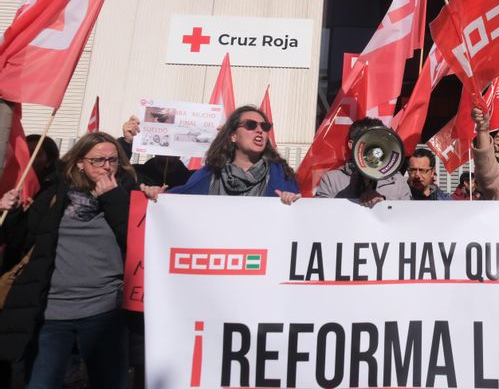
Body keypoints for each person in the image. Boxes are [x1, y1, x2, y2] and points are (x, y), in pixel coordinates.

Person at [0, 132, 156, 388]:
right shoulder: (53, 194)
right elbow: (21, 242)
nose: (107, 166)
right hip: (53, 313)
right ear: (79, 163)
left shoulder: (129, 193)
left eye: (113, 160)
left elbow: (136, 241)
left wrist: (112, 198)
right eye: (98, 160)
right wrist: (12, 211)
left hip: (105, 312)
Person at [170, 106, 300, 203]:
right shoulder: (209, 174)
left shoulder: (282, 177)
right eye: (251, 125)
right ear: (233, 136)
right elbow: (179, 200)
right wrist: (156, 195)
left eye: (265, 126)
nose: (260, 130)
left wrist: (292, 201)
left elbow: (298, 219)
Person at [315, 117, 410, 206]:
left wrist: (383, 203)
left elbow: (407, 216)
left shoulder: (397, 181)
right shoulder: (332, 180)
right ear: (352, 145)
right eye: (369, 140)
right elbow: (321, 214)